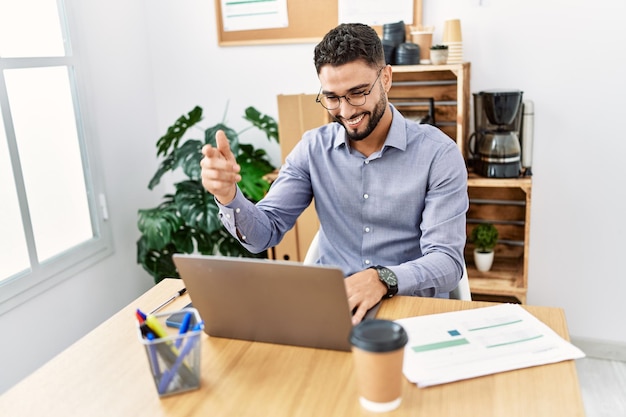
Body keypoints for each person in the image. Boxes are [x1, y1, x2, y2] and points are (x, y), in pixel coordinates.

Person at [200, 23, 468, 325]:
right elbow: (264, 233)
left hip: (410, 314)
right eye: (332, 97)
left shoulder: (438, 154)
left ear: (387, 78)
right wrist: (227, 196)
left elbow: (447, 262)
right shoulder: (313, 149)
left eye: (358, 93)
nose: (346, 110)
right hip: (333, 312)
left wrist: (382, 279)